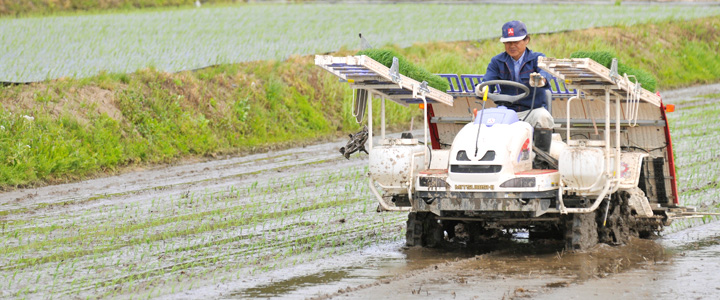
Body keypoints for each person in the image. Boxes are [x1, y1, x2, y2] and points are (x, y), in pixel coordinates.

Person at [483, 20, 555, 129]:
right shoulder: (497, 61)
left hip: (532, 110)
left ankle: (540, 146)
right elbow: (488, 82)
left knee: (543, 117)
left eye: (516, 42)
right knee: (483, 120)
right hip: (506, 111)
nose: (512, 46)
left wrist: (541, 79)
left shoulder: (537, 58)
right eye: (508, 42)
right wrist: (483, 89)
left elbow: (545, 71)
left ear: (526, 40)